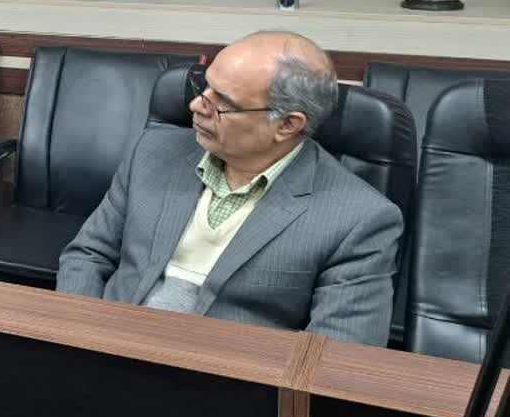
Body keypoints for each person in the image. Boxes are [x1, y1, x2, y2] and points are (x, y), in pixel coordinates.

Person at [57, 31, 402, 345]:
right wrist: (78, 338)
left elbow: (335, 354)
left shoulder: (359, 219)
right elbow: (88, 255)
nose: (196, 105)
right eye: (203, 88)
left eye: (222, 103)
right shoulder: (152, 152)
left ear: (287, 124)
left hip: (226, 380)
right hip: (105, 351)